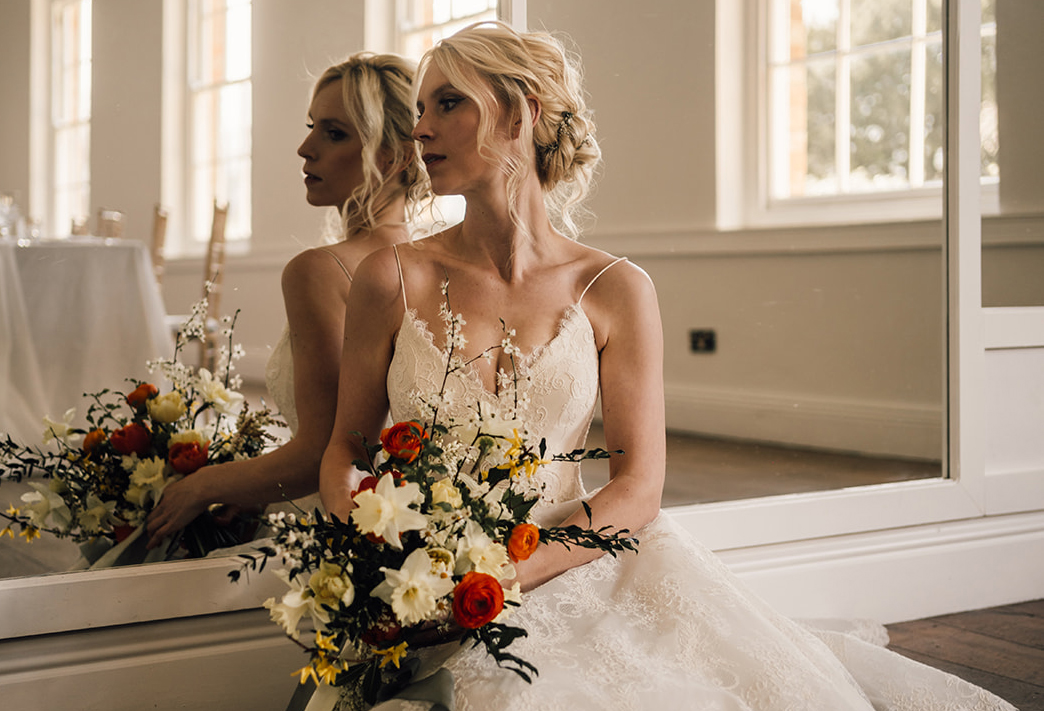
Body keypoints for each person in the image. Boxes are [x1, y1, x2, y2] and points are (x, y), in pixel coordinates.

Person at [318, 23, 1017, 711]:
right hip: (422, 582)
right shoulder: (392, 276)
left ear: (521, 112)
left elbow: (639, 485)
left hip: (575, 560)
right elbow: (347, 447)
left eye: (449, 103)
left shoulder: (615, 287)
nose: (422, 131)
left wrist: (505, 572)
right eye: (419, 111)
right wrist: (382, 548)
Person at [146, 52, 426, 549]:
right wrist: (257, 486)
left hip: (341, 531)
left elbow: (323, 451)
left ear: (394, 156)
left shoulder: (320, 271)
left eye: (333, 133)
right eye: (312, 127)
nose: (304, 148)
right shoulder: (438, 263)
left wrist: (200, 486)